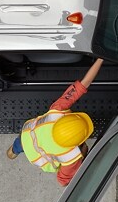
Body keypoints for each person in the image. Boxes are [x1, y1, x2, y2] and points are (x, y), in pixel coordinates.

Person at [6, 58, 103, 186]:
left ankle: (11, 154)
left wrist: (100, 59)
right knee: (83, 151)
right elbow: (63, 182)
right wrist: (82, 155)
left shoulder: (58, 111)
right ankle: (12, 153)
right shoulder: (71, 156)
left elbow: (83, 84)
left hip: (27, 137)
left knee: (12, 151)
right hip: (38, 159)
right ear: (78, 142)